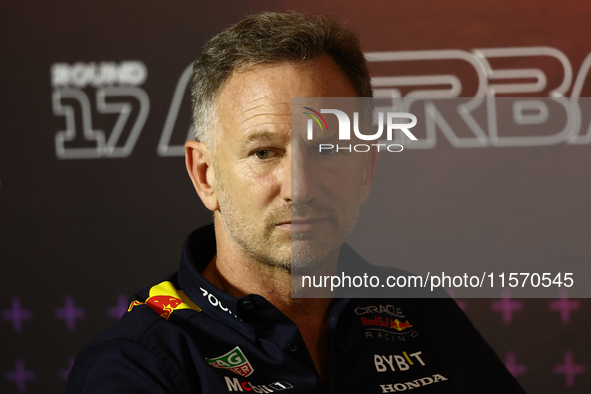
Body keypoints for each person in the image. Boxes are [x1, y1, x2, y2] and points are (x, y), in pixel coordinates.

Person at [66, 12, 525, 393]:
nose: (298, 186)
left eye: (326, 149)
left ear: (365, 171)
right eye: (264, 152)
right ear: (205, 175)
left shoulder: (422, 312)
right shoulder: (138, 365)